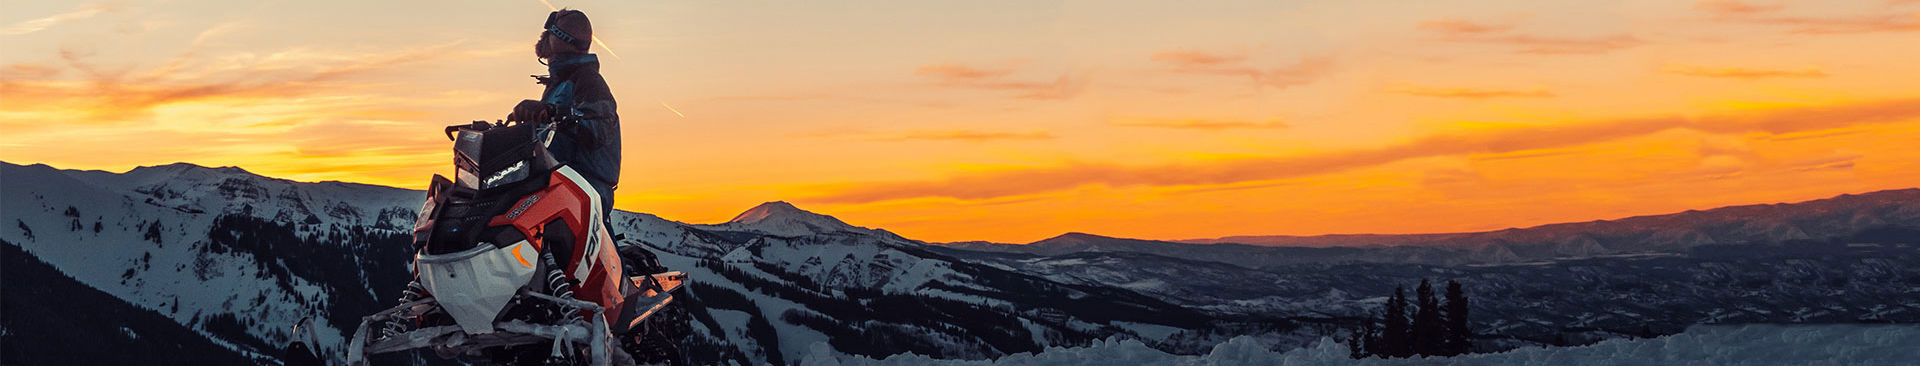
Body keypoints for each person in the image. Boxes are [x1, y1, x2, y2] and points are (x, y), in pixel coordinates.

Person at [509, 9, 621, 215]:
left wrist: (553, 112)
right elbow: (550, 135)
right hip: (557, 182)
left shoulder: (588, 81)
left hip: (583, 188)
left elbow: (600, 130)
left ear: (558, 39)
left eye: (549, 33)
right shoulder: (560, 83)